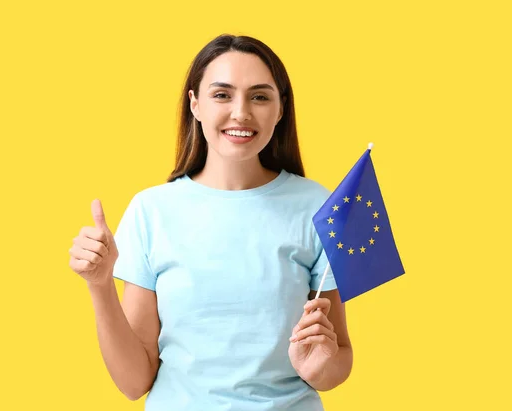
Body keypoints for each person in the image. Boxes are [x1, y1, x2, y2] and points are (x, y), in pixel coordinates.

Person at [68, 33, 353, 411]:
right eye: (222, 94)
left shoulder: (317, 206)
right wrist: (100, 286)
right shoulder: (151, 211)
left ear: (281, 109)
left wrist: (320, 368)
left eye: (260, 96)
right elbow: (135, 382)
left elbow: (339, 359)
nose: (241, 112)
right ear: (195, 104)